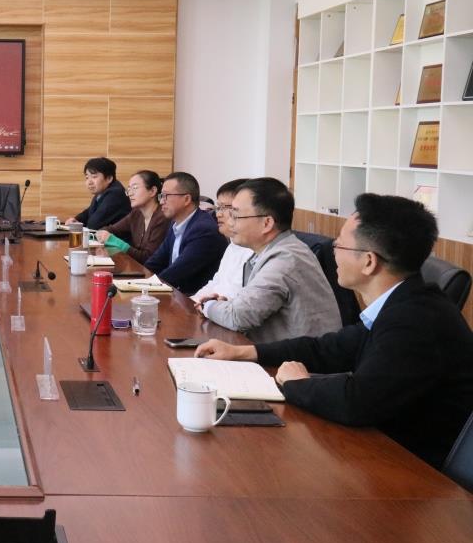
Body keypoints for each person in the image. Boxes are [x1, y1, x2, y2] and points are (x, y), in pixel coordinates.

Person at [195, 193, 473, 469]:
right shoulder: (403, 302)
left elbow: (358, 401)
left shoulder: (415, 321)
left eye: (339, 244)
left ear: (369, 261)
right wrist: (245, 352)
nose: (333, 251)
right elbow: (330, 348)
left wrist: (297, 384)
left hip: (414, 471)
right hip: (382, 448)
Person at [195, 177, 341, 343]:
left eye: (235, 215)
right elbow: (245, 309)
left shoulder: (286, 259)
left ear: (267, 223)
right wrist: (225, 306)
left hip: (297, 358)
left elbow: (238, 317)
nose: (230, 222)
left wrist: (208, 306)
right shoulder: (268, 252)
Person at [143, 172, 227, 295]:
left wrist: (143, 287)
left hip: (193, 300)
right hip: (176, 294)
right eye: (161, 196)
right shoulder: (175, 223)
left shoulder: (203, 230)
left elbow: (176, 273)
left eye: (166, 196)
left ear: (186, 199)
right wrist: (136, 279)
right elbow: (155, 262)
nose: (161, 202)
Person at [191, 178, 252, 303]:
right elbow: (216, 282)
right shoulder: (232, 245)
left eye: (225, 207)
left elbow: (234, 296)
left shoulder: (254, 251)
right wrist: (193, 302)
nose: (218, 214)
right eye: (218, 207)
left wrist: (204, 305)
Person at [95, 169, 170, 263]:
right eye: (129, 189)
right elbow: (112, 229)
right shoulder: (136, 213)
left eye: (135, 188)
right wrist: (103, 234)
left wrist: (118, 243)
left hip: (151, 271)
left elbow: (148, 258)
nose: (130, 193)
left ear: (152, 191)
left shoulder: (162, 217)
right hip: (136, 267)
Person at [64, 157, 131, 230]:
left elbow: (94, 224)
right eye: (87, 177)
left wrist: (78, 224)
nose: (89, 182)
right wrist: (76, 219)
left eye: (94, 177)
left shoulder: (115, 194)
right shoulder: (102, 192)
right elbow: (89, 211)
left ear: (109, 178)